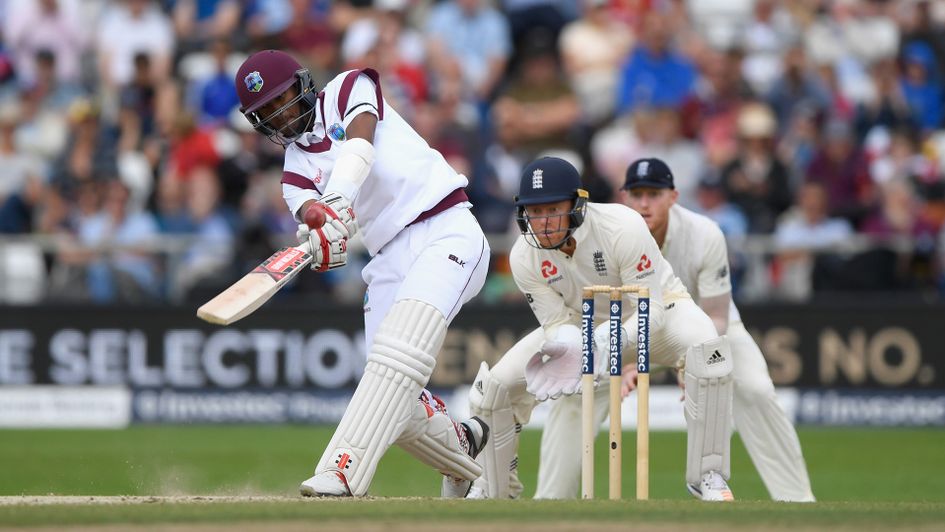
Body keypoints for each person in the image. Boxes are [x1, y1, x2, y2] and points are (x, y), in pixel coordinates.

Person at [234, 49, 491, 497]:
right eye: (267, 113)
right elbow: (315, 219)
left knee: (397, 357)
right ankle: (464, 450)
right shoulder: (294, 175)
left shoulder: (348, 88)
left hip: (447, 229)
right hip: (387, 257)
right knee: (392, 393)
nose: (280, 115)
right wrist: (324, 237)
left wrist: (335, 202)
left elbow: (360, 145)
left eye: (283, 100)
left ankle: (341, 472)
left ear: (303, 85)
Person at [536, 158, 816, 502]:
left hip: (704, 324)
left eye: (653, 194)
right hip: (628, 326)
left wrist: (694, 362)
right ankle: (551, 501)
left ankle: (796, 501)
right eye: (636, 194)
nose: (644, 203)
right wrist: (625, 360)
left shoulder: (704, 234)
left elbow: (715, 313)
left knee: (756, 389)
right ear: (624, 198)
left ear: (673, 196)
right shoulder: (611, 231)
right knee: (575, 392)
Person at [468, 156, 735, 501]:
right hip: (583, 323)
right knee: (493, 389)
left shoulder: (622, 225)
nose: (542, 222)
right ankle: (496, 486)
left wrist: (602, 342)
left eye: (551, 209)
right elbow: (557, 324)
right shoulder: (523, 257)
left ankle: (707, 474)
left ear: (577, 206)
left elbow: (650, 310)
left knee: (709, 350)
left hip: (659, 310)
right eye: (533, 212)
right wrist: (570, 347)